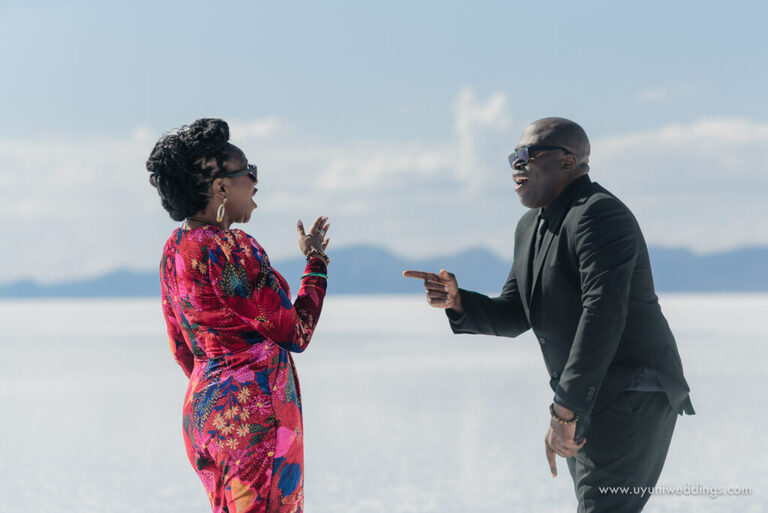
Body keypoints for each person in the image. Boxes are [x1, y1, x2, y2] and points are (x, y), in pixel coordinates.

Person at [404, 117, 694, 512]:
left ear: (568, 162)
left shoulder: (599, 214)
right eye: (512, 156)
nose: (516, 165)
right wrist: (458, 302)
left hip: (631, 392)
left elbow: (603, 313)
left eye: (527, 155)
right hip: (591, 396)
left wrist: (566, 409)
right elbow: (514, 313)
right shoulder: (530, 227)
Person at [147, 118, 330, 513]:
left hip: (205, 413)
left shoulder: (174, 248)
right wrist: (315, 264)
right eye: (249, 171)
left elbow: (182, 348)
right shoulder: (232, 248)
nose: (255, 179)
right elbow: (296, 332)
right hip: (252, 418)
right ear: (221, 187)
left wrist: (219, 385)